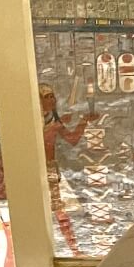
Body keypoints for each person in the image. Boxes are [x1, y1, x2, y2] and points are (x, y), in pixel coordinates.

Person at [39, 83, 98, 257]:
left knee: (61, 211)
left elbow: (72, 139)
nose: (53, 100)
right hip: (37, 170)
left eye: (53, 96)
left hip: (51, 170)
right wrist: (55, 126)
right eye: (47, 97)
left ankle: (74, 250)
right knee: (54, 212)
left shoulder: (53, 122)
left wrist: (84, 121)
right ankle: (72, 250)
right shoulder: (33, 123)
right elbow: (35, 141)